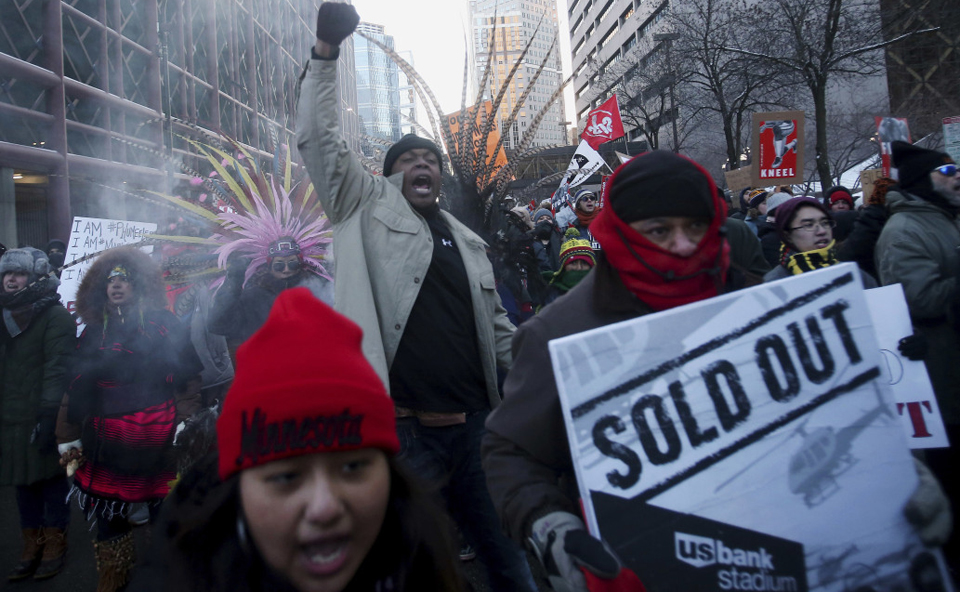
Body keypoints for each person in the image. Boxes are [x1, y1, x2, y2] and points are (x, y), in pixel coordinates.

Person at [481, 150, 953, 592]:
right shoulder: (558, 333)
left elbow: (837, 410)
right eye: (659, 230)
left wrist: (895, 469)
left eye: (696, 226)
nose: (683, 245)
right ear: (621, 230)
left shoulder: (768, 303)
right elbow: (510, 450)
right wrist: (551, 528)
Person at [296, 4, 534, 590]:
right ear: (387, 176)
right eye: (408, 161)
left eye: (430, 159)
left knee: (511, 563)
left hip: (477, 431)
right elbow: (318, 138)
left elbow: (499, 330)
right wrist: (326, 52)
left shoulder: (469, 242)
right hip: (406, 437)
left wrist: (548, 372)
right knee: (413, 571)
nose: (422, 165)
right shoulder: (360, 206)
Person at [130, 288, 465, 592]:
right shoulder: (183, 575)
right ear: (237, 488)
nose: (324, 508)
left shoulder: (426, 567)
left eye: (352, 466)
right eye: (286, 476)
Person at [55, 246, 202, 592]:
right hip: (107, 437)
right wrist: (67, 434)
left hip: (160, 432)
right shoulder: (92, 332)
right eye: (110, 282)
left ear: (138, 287)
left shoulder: (164, 323)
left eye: (124, 280)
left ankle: (164, 574)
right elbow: (74, 388)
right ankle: (114, 574)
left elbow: (188, 379)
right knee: (108, 512)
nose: (116, 286)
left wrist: (187, 421)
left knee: (163, 510)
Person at [875, 141, 960, 567]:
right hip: (943, 385)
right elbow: (921, 299)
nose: (956, 174)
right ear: (924, 179)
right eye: (947, 169)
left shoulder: (945, 220)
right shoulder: (905, 231)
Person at [0, 248, 75, 581]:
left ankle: (56, 542)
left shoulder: (55, 315)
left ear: (35, 277)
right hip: (10, 414)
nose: (11, 279)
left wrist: (49, 414)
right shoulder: (4, 313)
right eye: (7, 273)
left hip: (42, 412)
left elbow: (57, 368)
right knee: (22, 483)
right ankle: (31, 545)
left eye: (19, 273)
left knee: (49, 481)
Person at [208, 235, 334, 353]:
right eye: (279, 265)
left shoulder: (315, 291)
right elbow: (219, 325)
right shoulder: (254, 297)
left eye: (292, 263)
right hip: (266, 369)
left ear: (300, 263)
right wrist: (234, 280)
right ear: (270, 265)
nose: (286, 269)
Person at [762, 196, 877, 287]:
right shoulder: (774, 285)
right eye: (808, 225)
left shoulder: (856, 275)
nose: (821, 231)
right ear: (787, 235)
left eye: (825, 223)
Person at [541, 228, 596, 308]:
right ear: (563, 266)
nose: (579, 268)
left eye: (584, 263)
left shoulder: (602, 291)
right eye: (573, 263)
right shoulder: (552, 294)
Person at [531, 208, 562, 274]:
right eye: (541, 218)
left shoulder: (560, 239)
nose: (545, 220)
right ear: (536, 222)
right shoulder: (530, 239)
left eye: (548, 218)